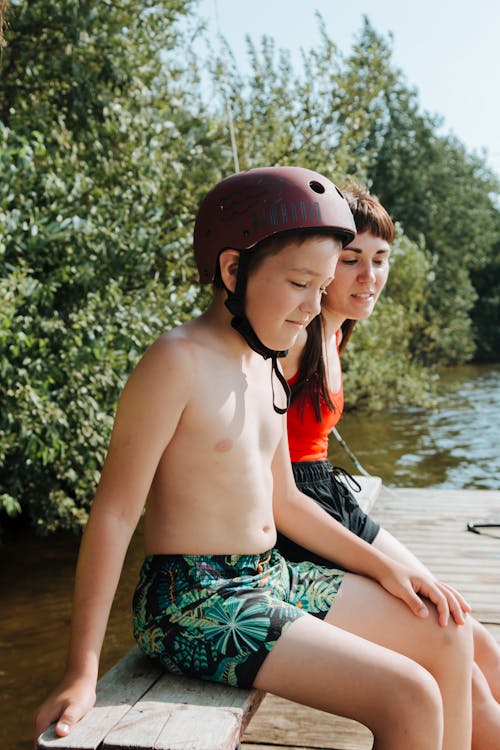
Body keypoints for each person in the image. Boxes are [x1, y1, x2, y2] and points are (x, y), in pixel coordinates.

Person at [34, 167, 474, 750]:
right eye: (299, 284)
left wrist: (385, 566)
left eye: (322, 289)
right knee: (409, 693)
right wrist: (81, 670)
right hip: (195, 598)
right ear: (233, 269)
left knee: (447, 630)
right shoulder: (176, 361)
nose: (314, 307)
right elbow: (114, 516)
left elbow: (285, 500)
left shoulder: (265, 363)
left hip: (271, 576)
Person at [278, 182, 500, 749]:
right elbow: (274, 478)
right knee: (460, 655)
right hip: (301, 520)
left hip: (330, 496)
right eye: (350, 261)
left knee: (478, 640)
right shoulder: (295, 334)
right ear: (322, 264)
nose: (367, 277)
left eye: (379, 261)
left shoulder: (331, 330)